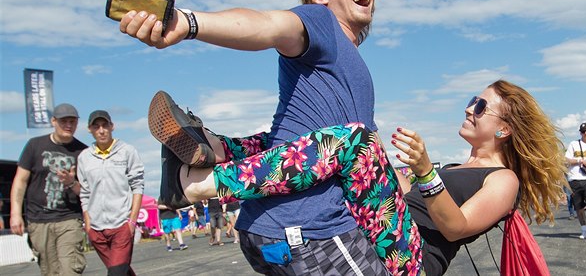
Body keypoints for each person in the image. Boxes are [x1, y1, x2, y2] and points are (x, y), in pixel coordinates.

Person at [120, 0, 389, 275]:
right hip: (309, 226)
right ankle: (197, 180)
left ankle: (215, 147)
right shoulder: (320, 21)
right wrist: (189, 23)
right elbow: (266, 25)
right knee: (352, 139)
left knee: (293, 138)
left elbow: (373, 156)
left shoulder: (346, 63)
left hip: (271, 226)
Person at [147, 80, 563, 276]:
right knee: (340, 134)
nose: (469, 108)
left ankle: (201, 185)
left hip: (410, 262)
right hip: (390, 235)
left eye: (481, 106)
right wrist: (390, 162)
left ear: (504, 129)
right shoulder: (458, 168)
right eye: (473, 100)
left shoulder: (503, 180)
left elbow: (455, 227)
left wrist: (423, 171)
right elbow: (402, 195)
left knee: (355, 141)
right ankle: (219, 148)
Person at [9, 103, 87, 275]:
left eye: (72, 121)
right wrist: (15, 214)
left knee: (70, 270)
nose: (68, 125)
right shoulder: (34, 146)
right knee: (49, 271)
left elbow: (87, 192)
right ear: (53, 121)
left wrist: (71, 182)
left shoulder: (83, 152)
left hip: (69, 218)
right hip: (39, 219)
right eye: (63, 121)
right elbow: (20, 181)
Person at [77, 110, 145, 275]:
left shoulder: (127, 151)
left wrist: (132, 222)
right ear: (89, 129)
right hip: (96, 229)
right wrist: (88, 224)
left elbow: (137, 186)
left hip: (121, 224)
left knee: (115, 272)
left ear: (112, 126)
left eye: (105, 125)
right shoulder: (84, 157)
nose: (101, 130)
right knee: (121, 271)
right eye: (96, 126)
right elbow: (84, 192)